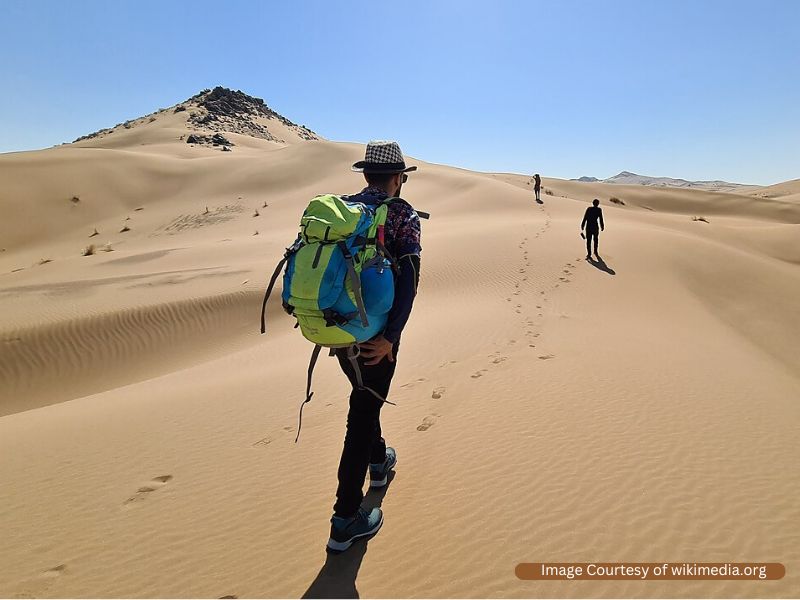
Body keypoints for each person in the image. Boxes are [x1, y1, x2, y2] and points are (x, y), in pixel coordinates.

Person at [327, 141, 423, 553]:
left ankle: (379, 461)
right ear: (398, 178)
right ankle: (345, 518)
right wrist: (390, 338)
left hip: (339, 330)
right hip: (376, 336)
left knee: (365, 395)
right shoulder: (402, 215)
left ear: (366, 175)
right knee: (363, 411)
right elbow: (410, 281)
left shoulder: (343, 210)